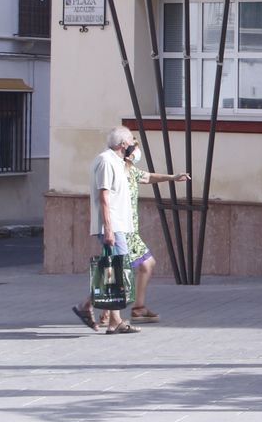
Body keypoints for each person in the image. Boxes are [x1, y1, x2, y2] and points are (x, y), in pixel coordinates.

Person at [121, 137, 192, 323]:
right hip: (122, 229)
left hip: (130, 229)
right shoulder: (117, 170)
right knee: (124, 269)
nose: (137, 153)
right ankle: (96, 307)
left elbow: (148, 177)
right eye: (135, 149)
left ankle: (137, 307)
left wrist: (173, 177)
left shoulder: (131, 171)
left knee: (143, 265)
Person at [74, 126, 136, 334]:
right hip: (111, 226)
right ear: (122, 144)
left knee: (114, 272)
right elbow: (104, 196)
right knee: (117, 271)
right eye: (131, 142)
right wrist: (108, 229)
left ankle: (111, 319)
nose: (133, 146)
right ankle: (92, 308)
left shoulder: (117, 162)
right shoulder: (106, 161)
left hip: (117, 225)